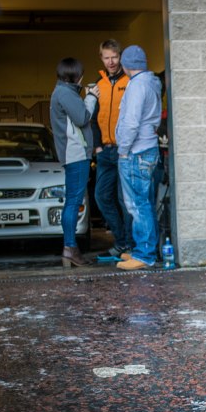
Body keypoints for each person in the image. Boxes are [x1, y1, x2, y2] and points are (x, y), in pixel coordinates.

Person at [115, 45, 162, 271]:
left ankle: (144, 254)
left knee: (137, 204)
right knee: (145, 202)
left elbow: (131, 122)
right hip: (148, 149)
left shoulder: (136, 86)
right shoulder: (151, 82)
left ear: (125, 65)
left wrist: (123, 149)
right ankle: (145, 249)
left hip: (136, 151)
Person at [49, 57, 99, 267]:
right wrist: (91, 96)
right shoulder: (65, 93)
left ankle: (70, 249)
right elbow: (82, 118)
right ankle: (70, 248)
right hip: (76, 154)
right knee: (73, 202)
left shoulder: (62, 91)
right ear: (77, 76)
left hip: (73, 154)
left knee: (72, 201)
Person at [91, 38, 133, 258]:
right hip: (105, 152)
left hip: (124, 150)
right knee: (101, 197)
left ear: (120, 57)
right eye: (106, 58)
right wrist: (97, 147)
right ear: (101, 58)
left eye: (114, 57)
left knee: (124, 200)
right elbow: (92, 118)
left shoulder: (130, 81)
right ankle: (121, 240)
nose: (111, 62)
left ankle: (129, 245)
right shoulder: (99, 84)